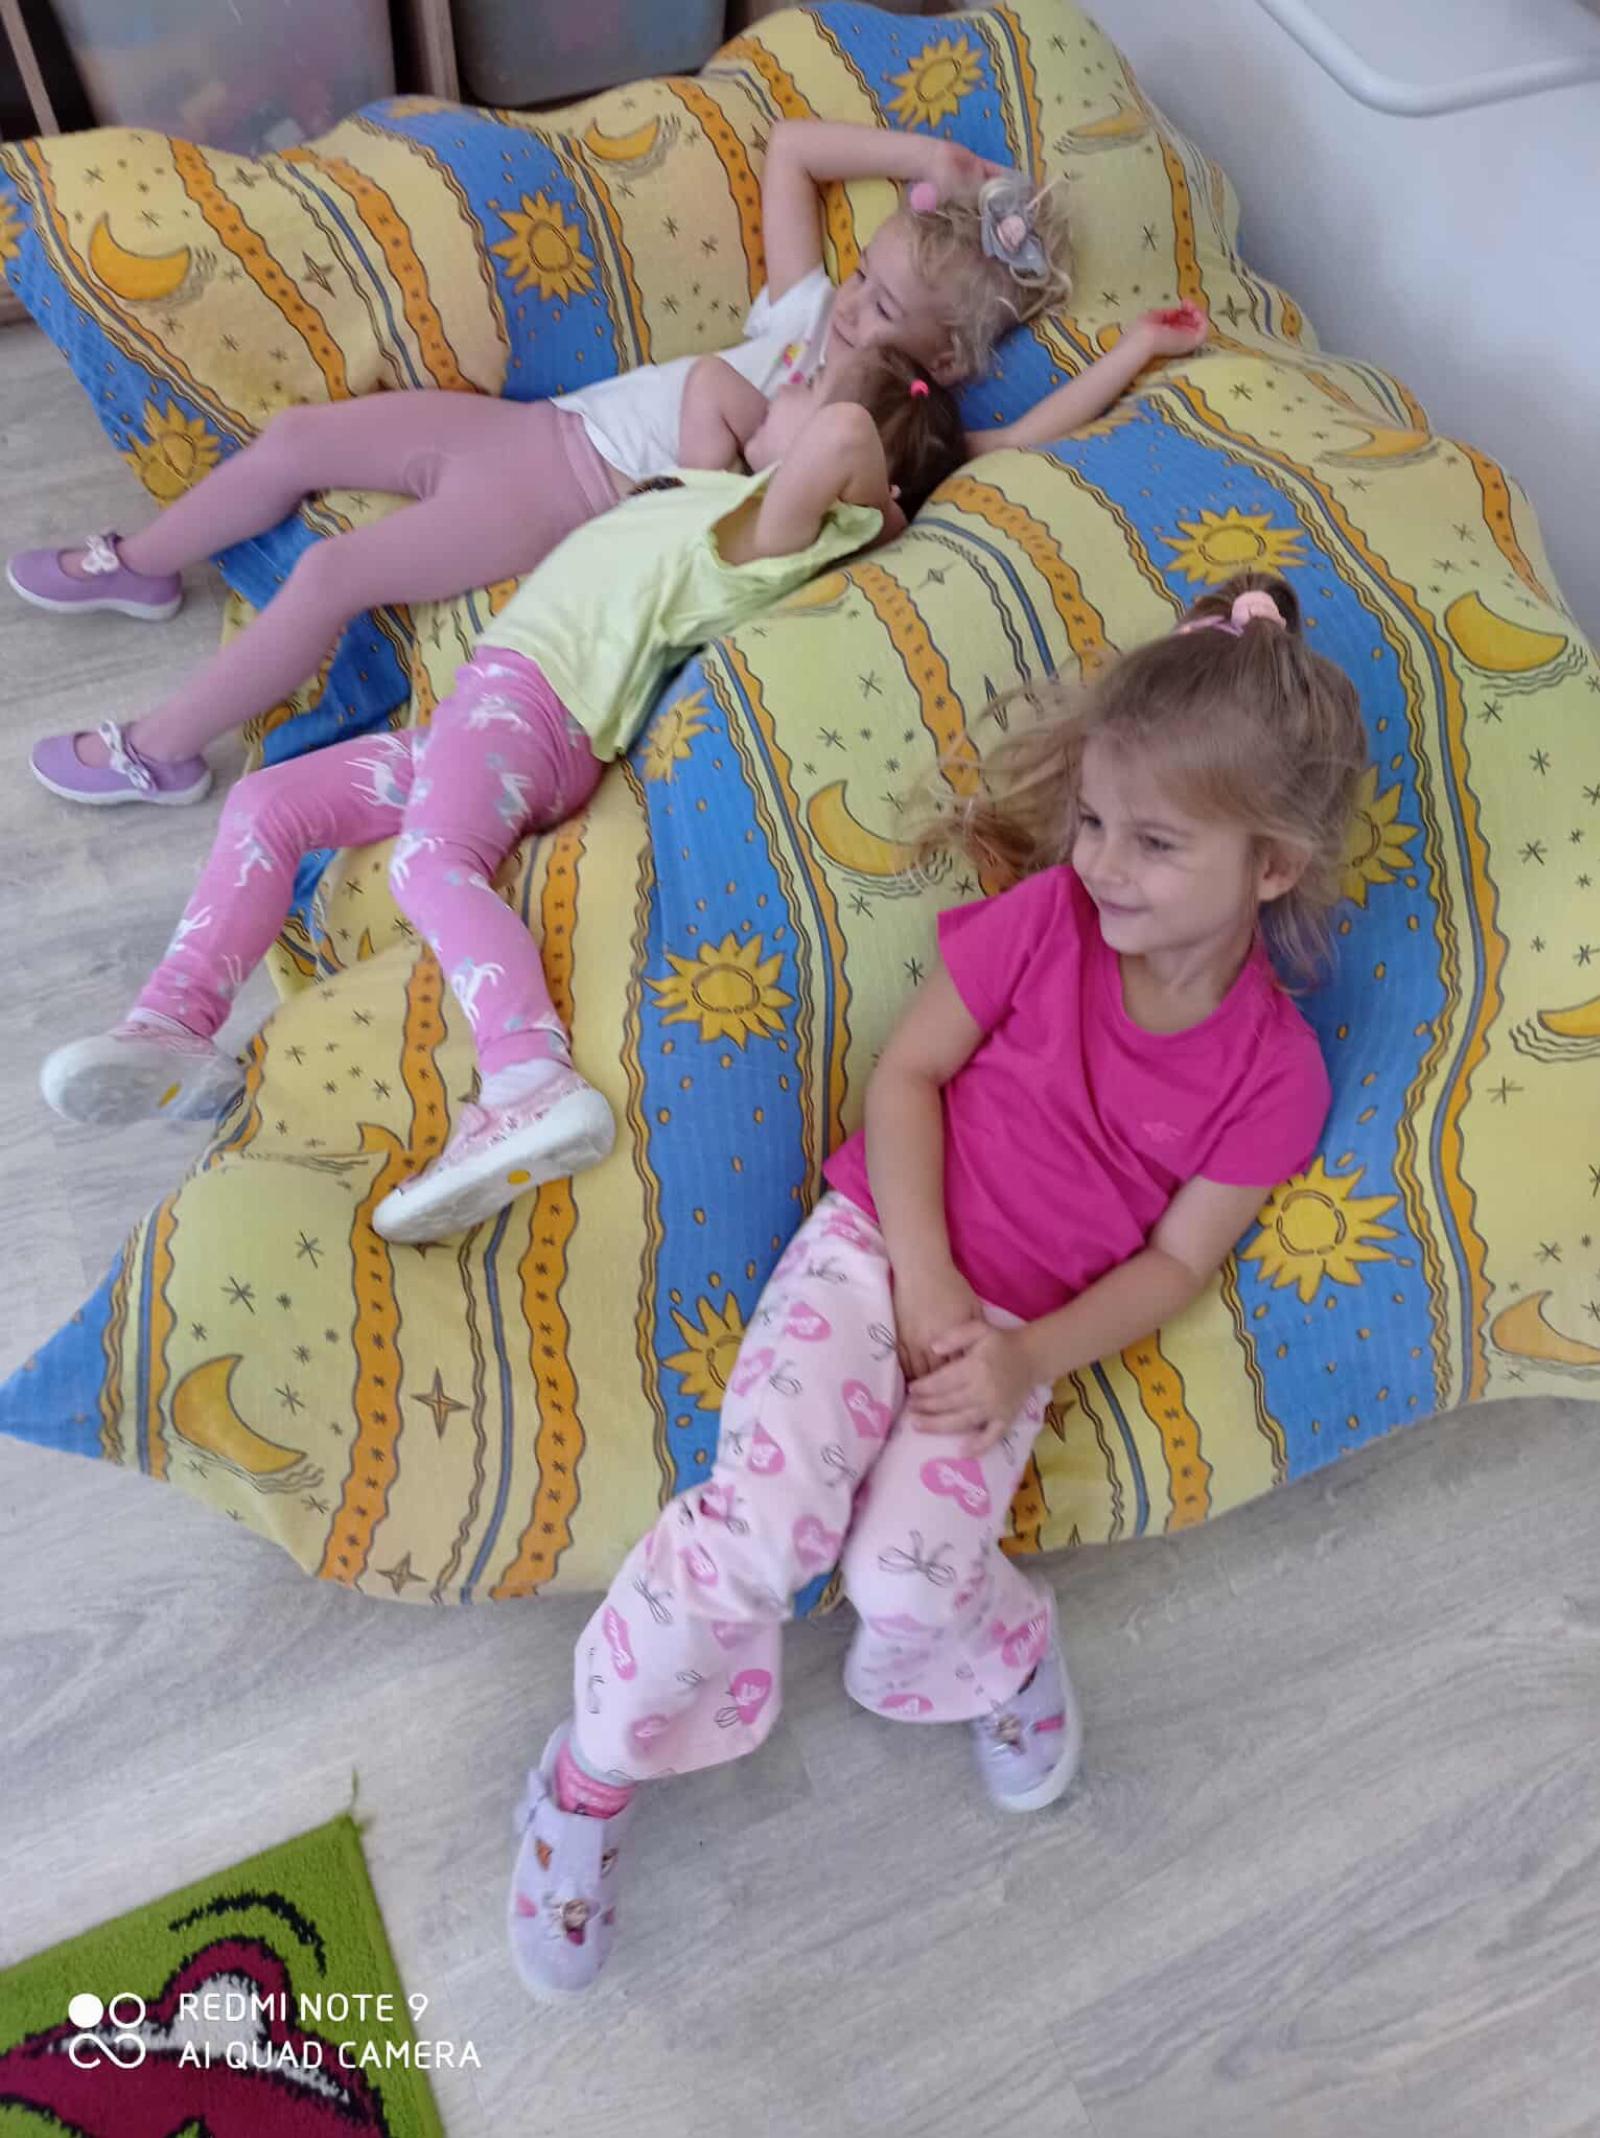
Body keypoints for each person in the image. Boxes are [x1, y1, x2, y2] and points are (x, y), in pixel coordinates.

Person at [504, 570, 1368, 1998]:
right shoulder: (1043, 920)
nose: (1103, 863)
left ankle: (1008, 1651)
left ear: (1270, 866)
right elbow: (906, 1076)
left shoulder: (1277, 1074)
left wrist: (1025, 1357)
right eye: (1094, 821)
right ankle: (586, 1776)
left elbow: (1176, 1261)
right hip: (871, 1253)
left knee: (907, 1577)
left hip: (1012, 1337)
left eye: (1155, 841)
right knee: (766, 1531)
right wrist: (919, 1273)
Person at [38, 349, 969, 1246]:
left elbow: (845, 433)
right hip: (484, 718)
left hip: (537, 713)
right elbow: (730, 401)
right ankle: (178, 1020)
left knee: (430, 863)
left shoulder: (766, 530)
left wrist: (882, 488)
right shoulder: (711, 491)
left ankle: (528, 1076)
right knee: (267, 807)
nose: (785, 387)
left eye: (806, 388)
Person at [12, 127, 1075, 808]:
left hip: (568, 491)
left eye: (882, 308)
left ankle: (158, 751)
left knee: (334, 574)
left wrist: (1124, 364)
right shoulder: (803, 317)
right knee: (298, 439)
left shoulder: (873, 432)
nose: (852, 305)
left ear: (940, 360)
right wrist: (930, 164)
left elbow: (1000, 448)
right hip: (533, 427)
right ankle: (141, 564)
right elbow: (791, 149)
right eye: (861, 275)